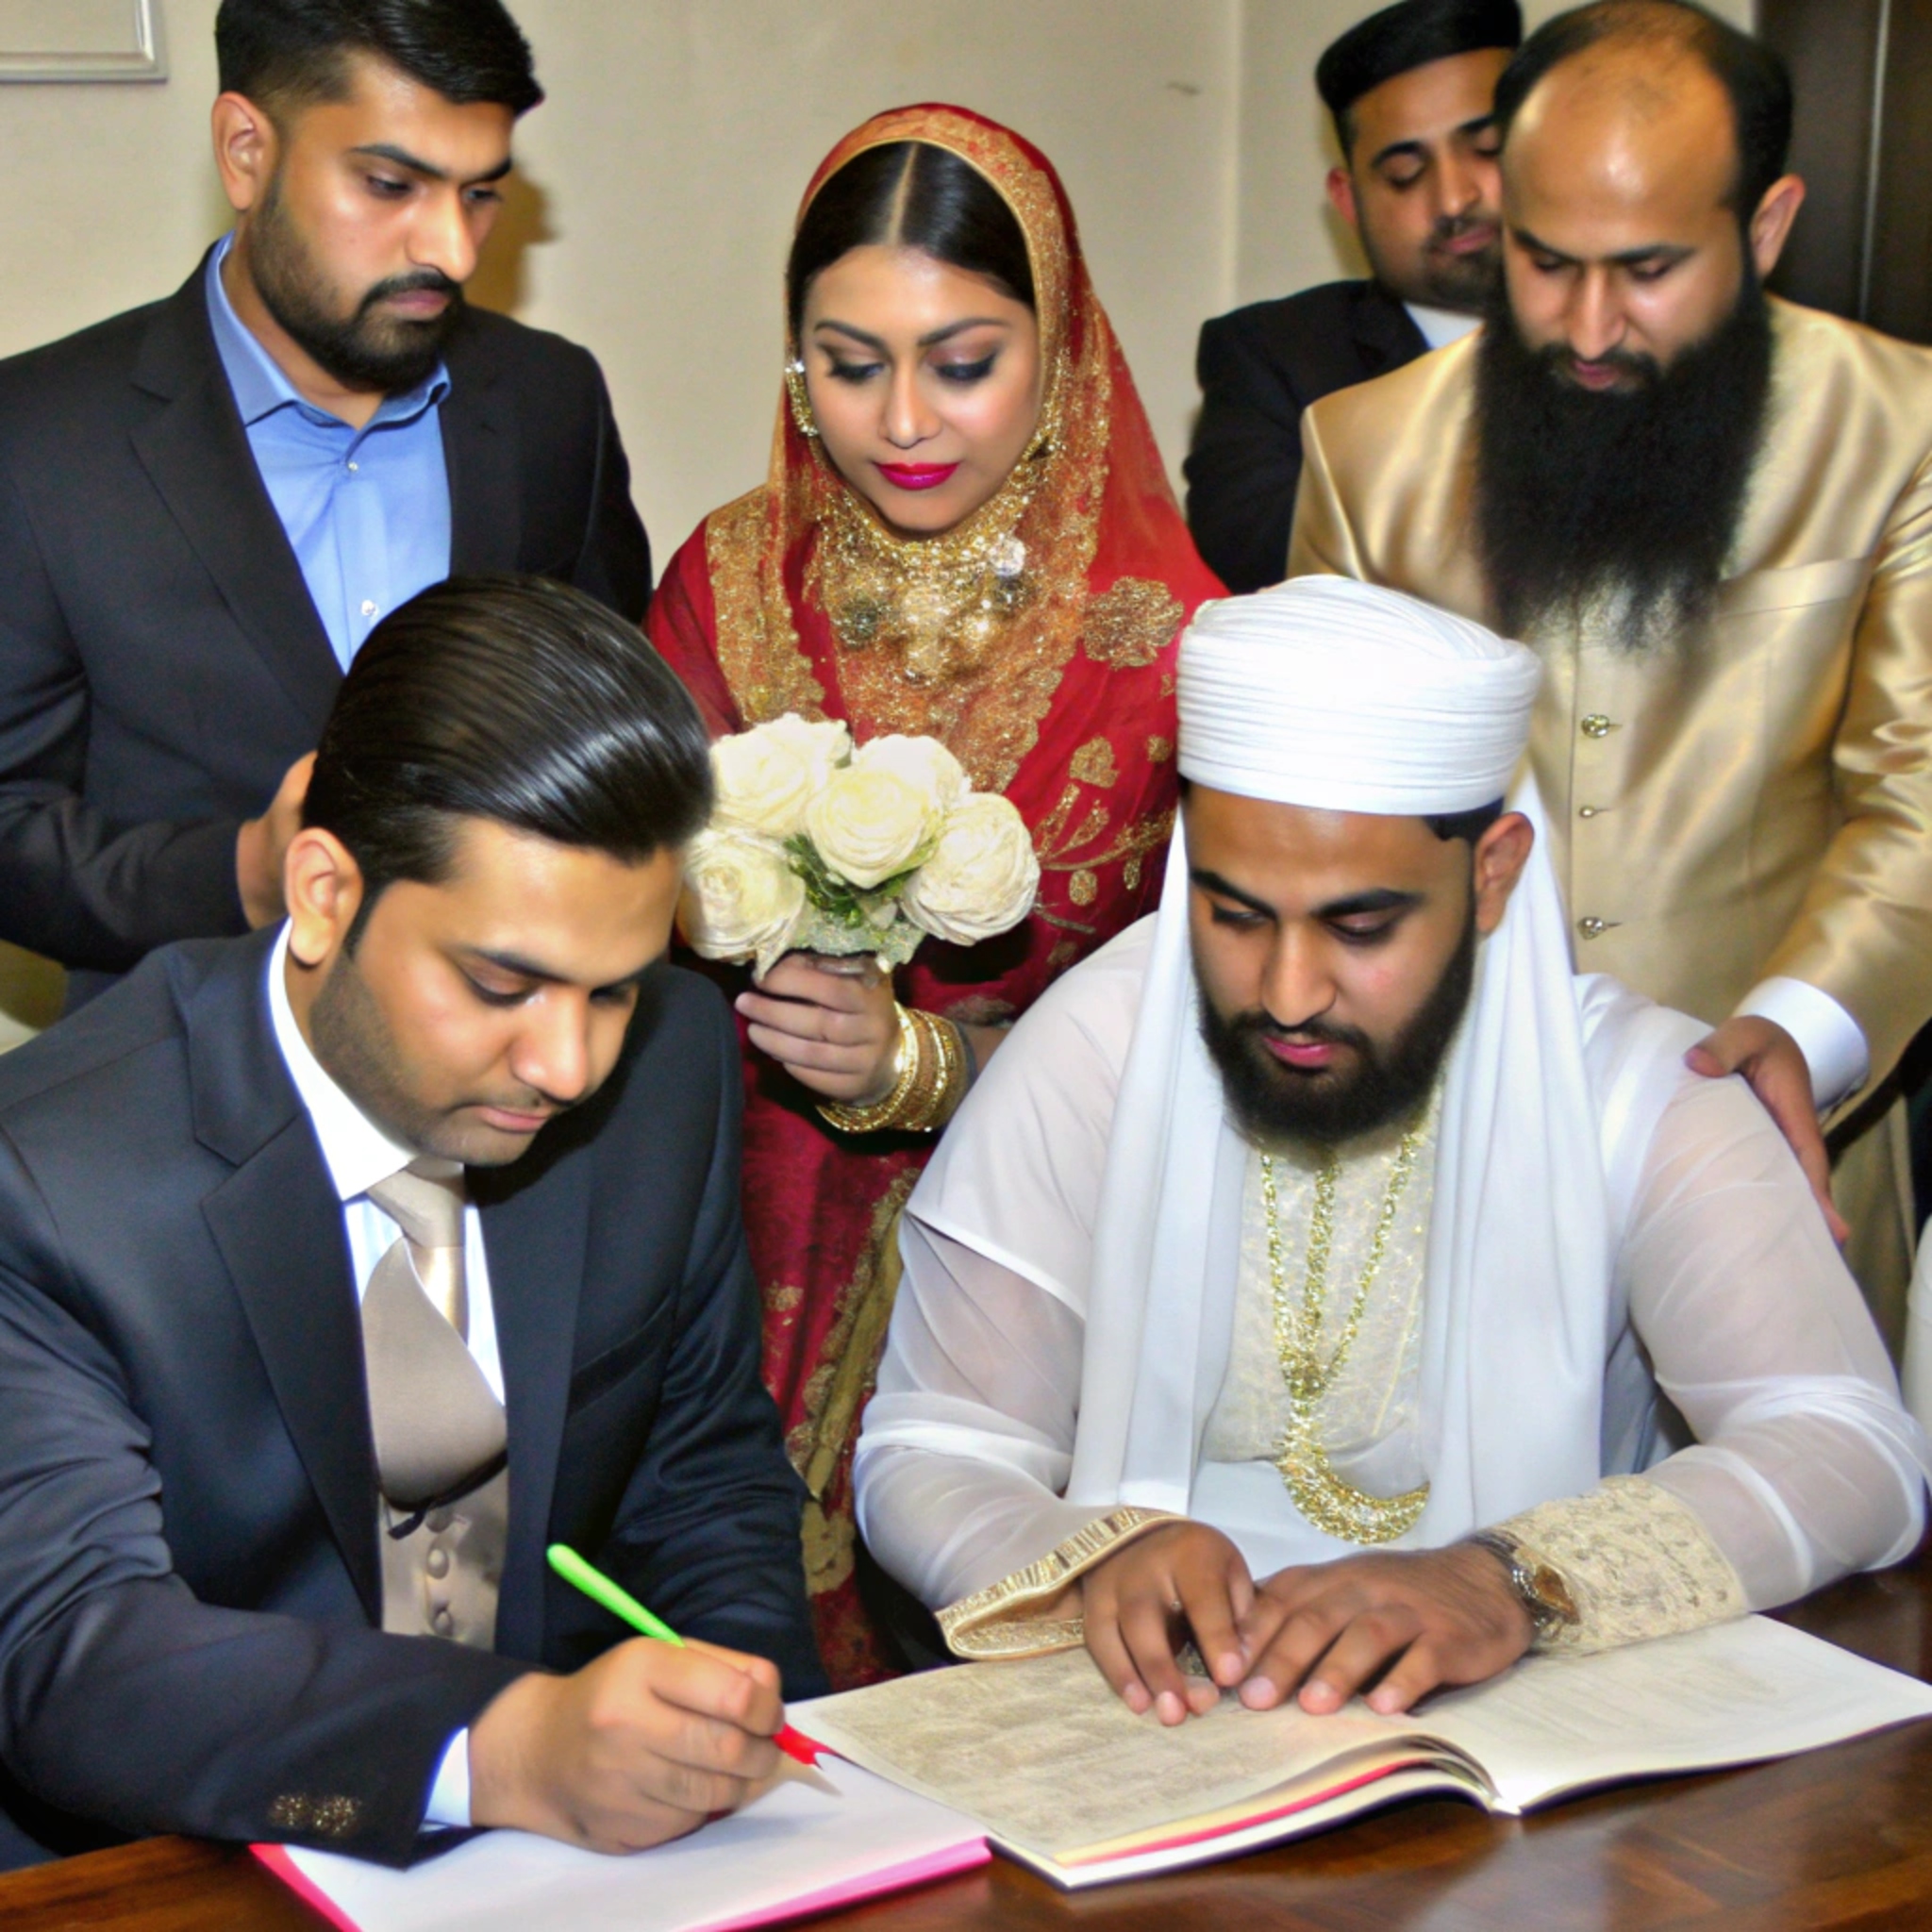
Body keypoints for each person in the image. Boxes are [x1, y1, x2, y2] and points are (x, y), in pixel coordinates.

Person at [854, 577, 1925, 1725]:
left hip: (1524, 1743)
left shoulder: (1635, 1095)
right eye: (1233, 912)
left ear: (1491, 872)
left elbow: (1848, 1448)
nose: (1287, 991)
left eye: (1359, 927)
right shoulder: (1098, 1045)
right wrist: (1091, 1556)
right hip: (1150, 1733)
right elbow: (932, 1444)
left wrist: (1506, 1575)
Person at [0, 576, 822, 1871]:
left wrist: (739, 1770)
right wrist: (498, 1751)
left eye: (616, 991)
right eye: (503, 983)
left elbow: (705, 1480)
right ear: (324, 892)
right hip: (176, 1863)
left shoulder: (668, 1079)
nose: (569, 1066)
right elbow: (75, 1649)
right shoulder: (44, 1176)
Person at [647, 104, 1223, 1688]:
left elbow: (1211, 1021)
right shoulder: (727, 575)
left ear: (1060, 350)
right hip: (720, 1221)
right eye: (847, 360)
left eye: (961, 360)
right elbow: (624, 908)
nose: (900, 418)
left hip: (1030, 1259)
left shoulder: (1174, 642)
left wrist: (925, 1063)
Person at [1290, 0, 1932, 1342]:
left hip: (1777, 1154)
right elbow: (1314, 820)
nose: (1586, 329)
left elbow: (1920, 795)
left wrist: (1795, 1037)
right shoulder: (1364, 453)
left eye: (1645, 270)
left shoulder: (1900, 431)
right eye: (1543, 261)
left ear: (1762, 230)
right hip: (1436, 1167)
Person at [0, 0, 650, 1009]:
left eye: (479, 194)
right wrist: (243, 875)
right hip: (188, 1110)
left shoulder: (548, 403)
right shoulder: (37, 440)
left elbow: (610, 746)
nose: (453, 249)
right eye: (390, 184)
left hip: (526, 1102)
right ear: (247, 150)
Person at [1185, 0, 1522, 594]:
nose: (1454, 198)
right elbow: (1260, 567)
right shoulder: (1272, 356)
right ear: (1348, 200)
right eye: (1403, 172)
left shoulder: (1637, 327)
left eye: (1489, 147)